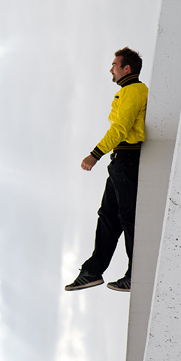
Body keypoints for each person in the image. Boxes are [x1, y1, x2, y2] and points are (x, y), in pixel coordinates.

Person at [65, 47, 148, 292]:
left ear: (127, 69)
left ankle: (137, 274)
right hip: (120, 160)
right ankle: (92, 271)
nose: (111, 69)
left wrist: (95, 154)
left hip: (127, 159)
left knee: (127, 217)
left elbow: (121, 127)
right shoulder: (127, 91)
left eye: (114, 64)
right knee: (108, 217)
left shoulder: (134, 90)